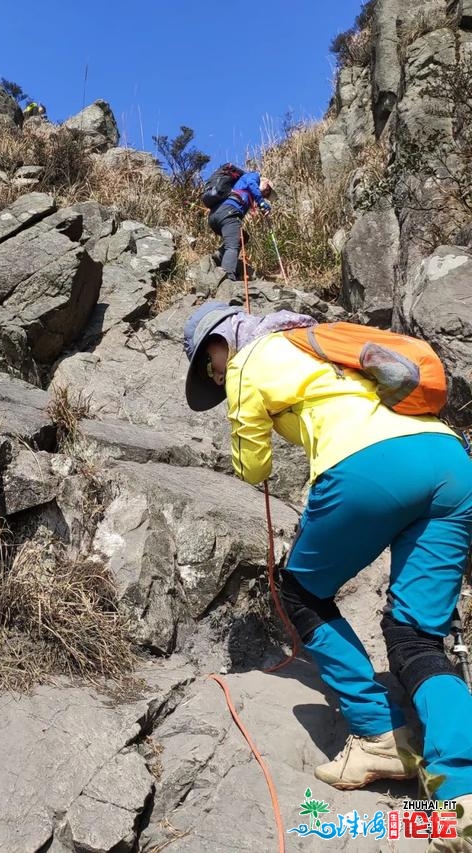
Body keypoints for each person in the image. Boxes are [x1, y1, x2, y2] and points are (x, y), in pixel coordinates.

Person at [183, 301, 472, 851]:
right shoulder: (315, 339)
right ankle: (462, 795)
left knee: (300, 591)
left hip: (370, 467)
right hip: (450, 461)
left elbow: (253, 466)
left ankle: (380, 734)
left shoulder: (250, 360)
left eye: (207, 360)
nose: (214, 374)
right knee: (416, 634)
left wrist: (256, 420)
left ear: (225, 337)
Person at [209, 172, 273, 281]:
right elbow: (251, 184)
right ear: (265, 183)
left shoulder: (245, 191)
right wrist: (262, 203)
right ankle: (228, 278)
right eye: (267, 192)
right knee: (232, 246)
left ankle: (220, 255)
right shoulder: (254, 177)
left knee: (243, 237)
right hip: (228, 213)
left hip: (216, 216)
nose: (265, 195)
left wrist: (260, 206)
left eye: (266, 196)